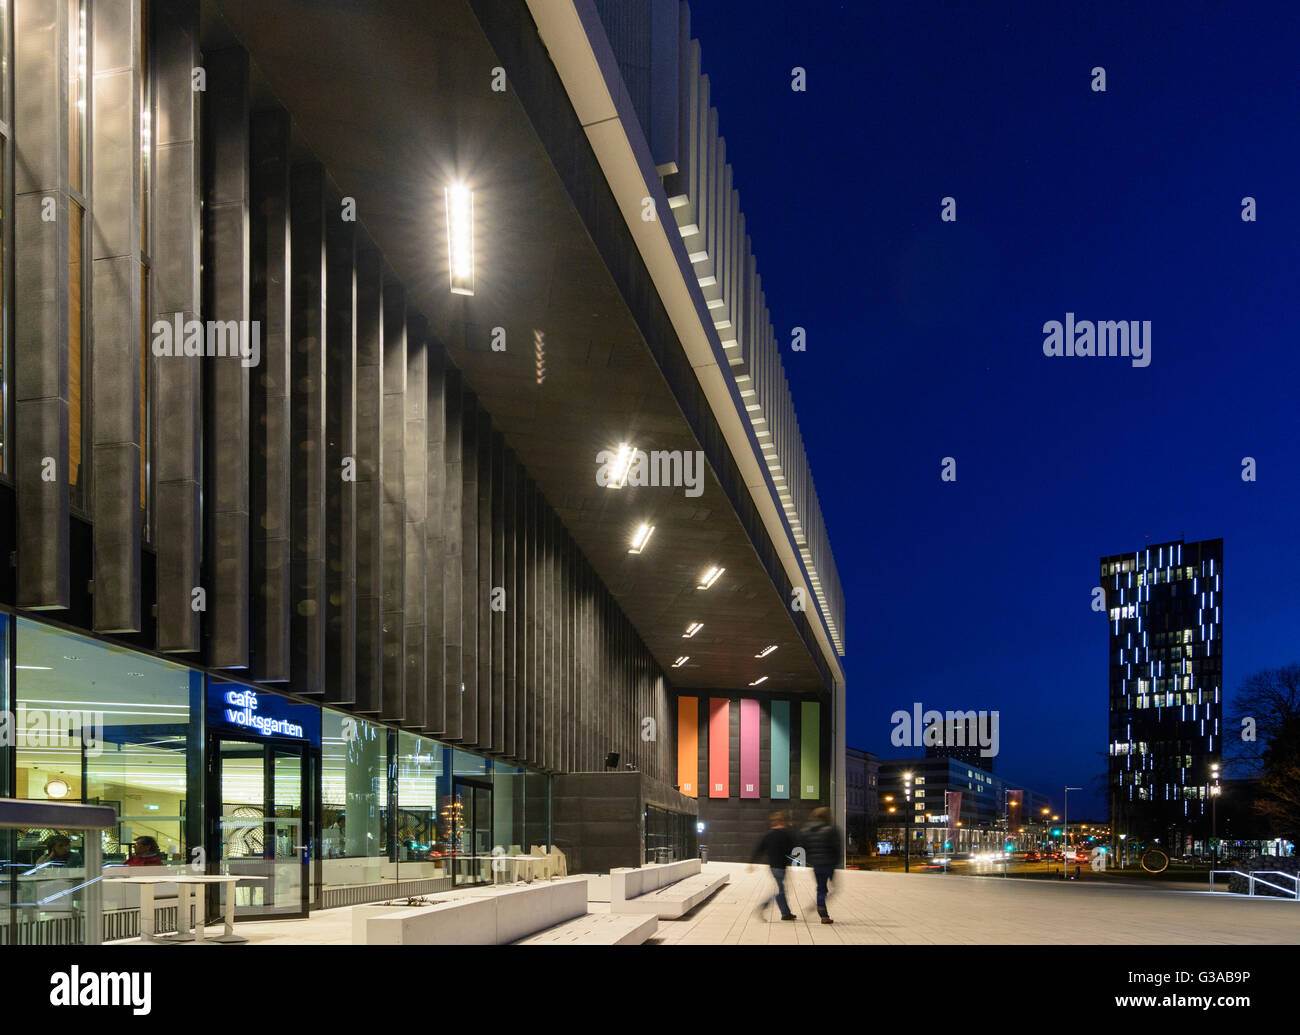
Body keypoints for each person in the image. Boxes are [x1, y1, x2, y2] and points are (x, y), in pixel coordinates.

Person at [749, 812, 796, 921]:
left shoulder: (768, 835)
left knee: (780, 888)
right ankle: (763, 907)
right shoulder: (786, 834)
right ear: (782, 821)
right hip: (781, 867)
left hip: (772, 867)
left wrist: (752, 862)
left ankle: (786, 913)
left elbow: (759, 849)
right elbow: (791, 850)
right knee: (780, 891)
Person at [800, 807, 843, 924]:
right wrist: (836, 861)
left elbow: (804, 847)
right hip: (829, 864)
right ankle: (819, 906)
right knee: (835, 889)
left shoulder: (807, 830)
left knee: (821, 889)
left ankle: (823, 913)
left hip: (816, 864)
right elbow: (837, 847)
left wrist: (811, 859)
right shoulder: (832, 830)